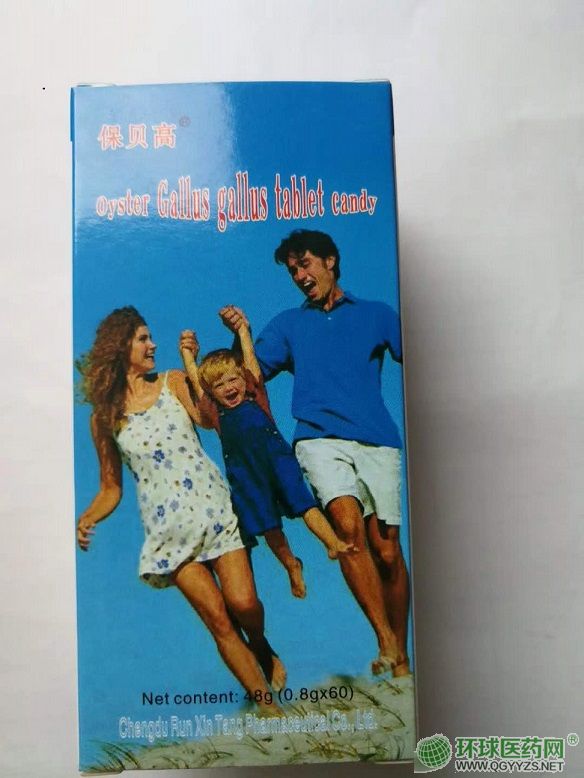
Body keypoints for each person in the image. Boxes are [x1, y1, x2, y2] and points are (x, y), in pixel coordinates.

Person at [220, 229, 411, 678]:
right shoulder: (289, 324)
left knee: (387, 551)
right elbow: (246, 379)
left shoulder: (377, 314)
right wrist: (241, 333)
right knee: (346, 527)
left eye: (304, 264)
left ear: (330, 261)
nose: (300, 275)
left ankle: (401, 655)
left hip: (378, 440)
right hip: (318, 439)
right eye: (293, 271)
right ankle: (384, 640)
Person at [76, 306, 285, 709]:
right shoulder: (104, 418)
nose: (153, 345)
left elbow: (207, 419)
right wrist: (88, 517)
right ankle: (268, 708)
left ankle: (260, 644)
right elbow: (110, 488)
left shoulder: (171, 381)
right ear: (120, 347)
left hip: (216, 513)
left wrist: (192, 361)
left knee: (243, 604)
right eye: (143, 339)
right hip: (169, 536)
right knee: (219, 622)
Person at [179, 321, 354, 599]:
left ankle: (333, 543)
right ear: (211, 392)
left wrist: (242, 331)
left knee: (304, 503)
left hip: (277, 461)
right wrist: (188, 355)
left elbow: (250, 361)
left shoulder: (255, 393)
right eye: (219, 385)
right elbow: (197, 383)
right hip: (245, 475)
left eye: (233, 380)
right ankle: (291, 564)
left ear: (243, 379)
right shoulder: (214, 412)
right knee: (269, 527)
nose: (228, 388)